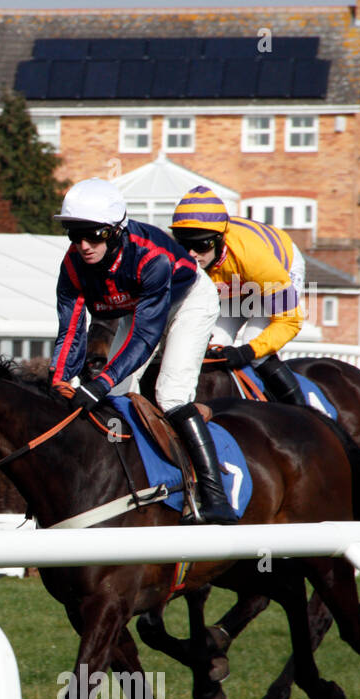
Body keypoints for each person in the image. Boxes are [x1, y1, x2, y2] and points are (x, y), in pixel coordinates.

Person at [50, 177, 235, 524]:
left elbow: (145, 337)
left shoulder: (152, 258)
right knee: (114, 396)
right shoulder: (73, 266)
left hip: (189, 302)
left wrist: (99, 382)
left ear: (117, 231)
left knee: (171, 395)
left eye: (95, 235)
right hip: (142, 308)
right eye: (76, 235)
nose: (84, 246)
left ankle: (213, 495)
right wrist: (60, 380)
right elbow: (71, 327)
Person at [170, 185, 307, 405]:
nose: (191, 254)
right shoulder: (178, 258)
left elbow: (289, 321)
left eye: (201, 245)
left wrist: (248, 352)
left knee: (255, 343)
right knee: (211, 345)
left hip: (278, 265)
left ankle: (303, 413)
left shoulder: (253, 259)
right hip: (234, 282)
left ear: (220, 240)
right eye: (184, 244)